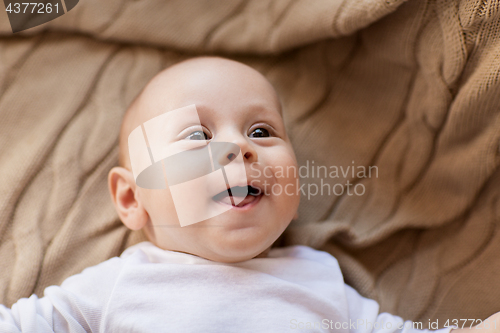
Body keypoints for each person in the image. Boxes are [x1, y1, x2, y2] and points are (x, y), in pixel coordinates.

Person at [0, 57, 497, 333]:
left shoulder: (320, 280)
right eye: (196, 137)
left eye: (261, 131)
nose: (239, 147)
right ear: (132, 199)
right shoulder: (119, 285)